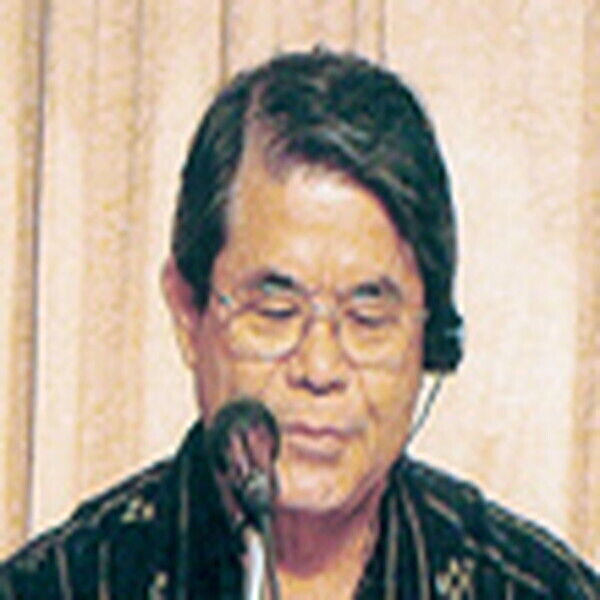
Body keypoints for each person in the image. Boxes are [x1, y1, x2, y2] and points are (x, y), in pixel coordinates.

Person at [0, 48, 597, 599]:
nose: (320, 368)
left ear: (432, 341)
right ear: (188, 312)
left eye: (368, 317)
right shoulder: (62, 585)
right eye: (275, 311)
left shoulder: (536, 589)